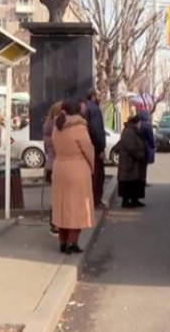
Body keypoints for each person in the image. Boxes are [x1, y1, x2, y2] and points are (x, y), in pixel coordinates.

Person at [51, 99, 95, 255]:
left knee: (62, 207)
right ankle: (72, 242)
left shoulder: (57, 126)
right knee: (77, 208)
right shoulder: (79, 128)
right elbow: (88, 149)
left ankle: (62, 242)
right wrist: (92, 167)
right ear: (77, 111)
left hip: (59, 167)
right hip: (77, 168)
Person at [80, 90, 107, 209]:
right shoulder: (94, 109)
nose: (100, 97)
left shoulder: (82, 108)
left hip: (84, 145)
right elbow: (97, 130)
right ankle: (96, 201)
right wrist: (101, 148)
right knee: (98, 175)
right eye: (99, 95)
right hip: (94, 147)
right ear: (93, 96)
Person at [117, 115, 146, 208]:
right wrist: (139, 154)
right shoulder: (129, 132)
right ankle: (126, 201)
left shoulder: (133, 131)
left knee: (134, 181)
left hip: (133, 162)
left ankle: (134, 200)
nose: (140, 125)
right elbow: (130, 147)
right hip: (128, 162)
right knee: (127, 182)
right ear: (136, 123)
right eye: (140, 123)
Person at [43, 101, 63, 235]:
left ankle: (54, 224)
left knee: (56, 197)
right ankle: (58, 224)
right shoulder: (59, 126)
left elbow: (47, 149)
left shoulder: (47, 127)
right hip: (59, 165)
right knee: (62, 197)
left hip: (50, 165)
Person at [137, 110, 156, 198]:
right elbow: (151, 138)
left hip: (139, 147)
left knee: (139, 167)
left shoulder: (139, 125)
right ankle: (143, 181)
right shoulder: (148, 126)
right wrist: (153, 146)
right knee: (144, 167)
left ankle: (140, 181)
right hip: (146, 148)